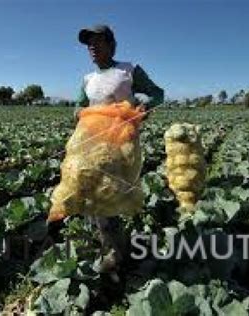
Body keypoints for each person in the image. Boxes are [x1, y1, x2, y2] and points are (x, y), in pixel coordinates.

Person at [75, 24, 164, 274]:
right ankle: (110, 243)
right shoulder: (87, 79)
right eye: (88, 43)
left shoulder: (128, 70)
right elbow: (79, 106)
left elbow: (158, 94)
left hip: (120, 144)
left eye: (98, 41)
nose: (92, 46)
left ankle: (114, 256)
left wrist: (143, 110)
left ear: (112, 45)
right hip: (92, 144)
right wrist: (78, 113)